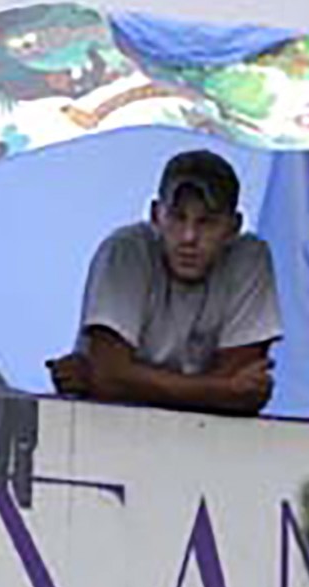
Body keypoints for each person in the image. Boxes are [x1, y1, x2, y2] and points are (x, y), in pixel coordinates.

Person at [47, 149, 282, 415]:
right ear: (155, 216)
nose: (189, 237)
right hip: (106, 426)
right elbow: (110, 377)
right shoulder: (126, 249)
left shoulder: (249, 257)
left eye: (207, 222)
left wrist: (123, 380)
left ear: (234, 228)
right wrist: (221, 390)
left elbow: (244, 393)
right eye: (177, 217)